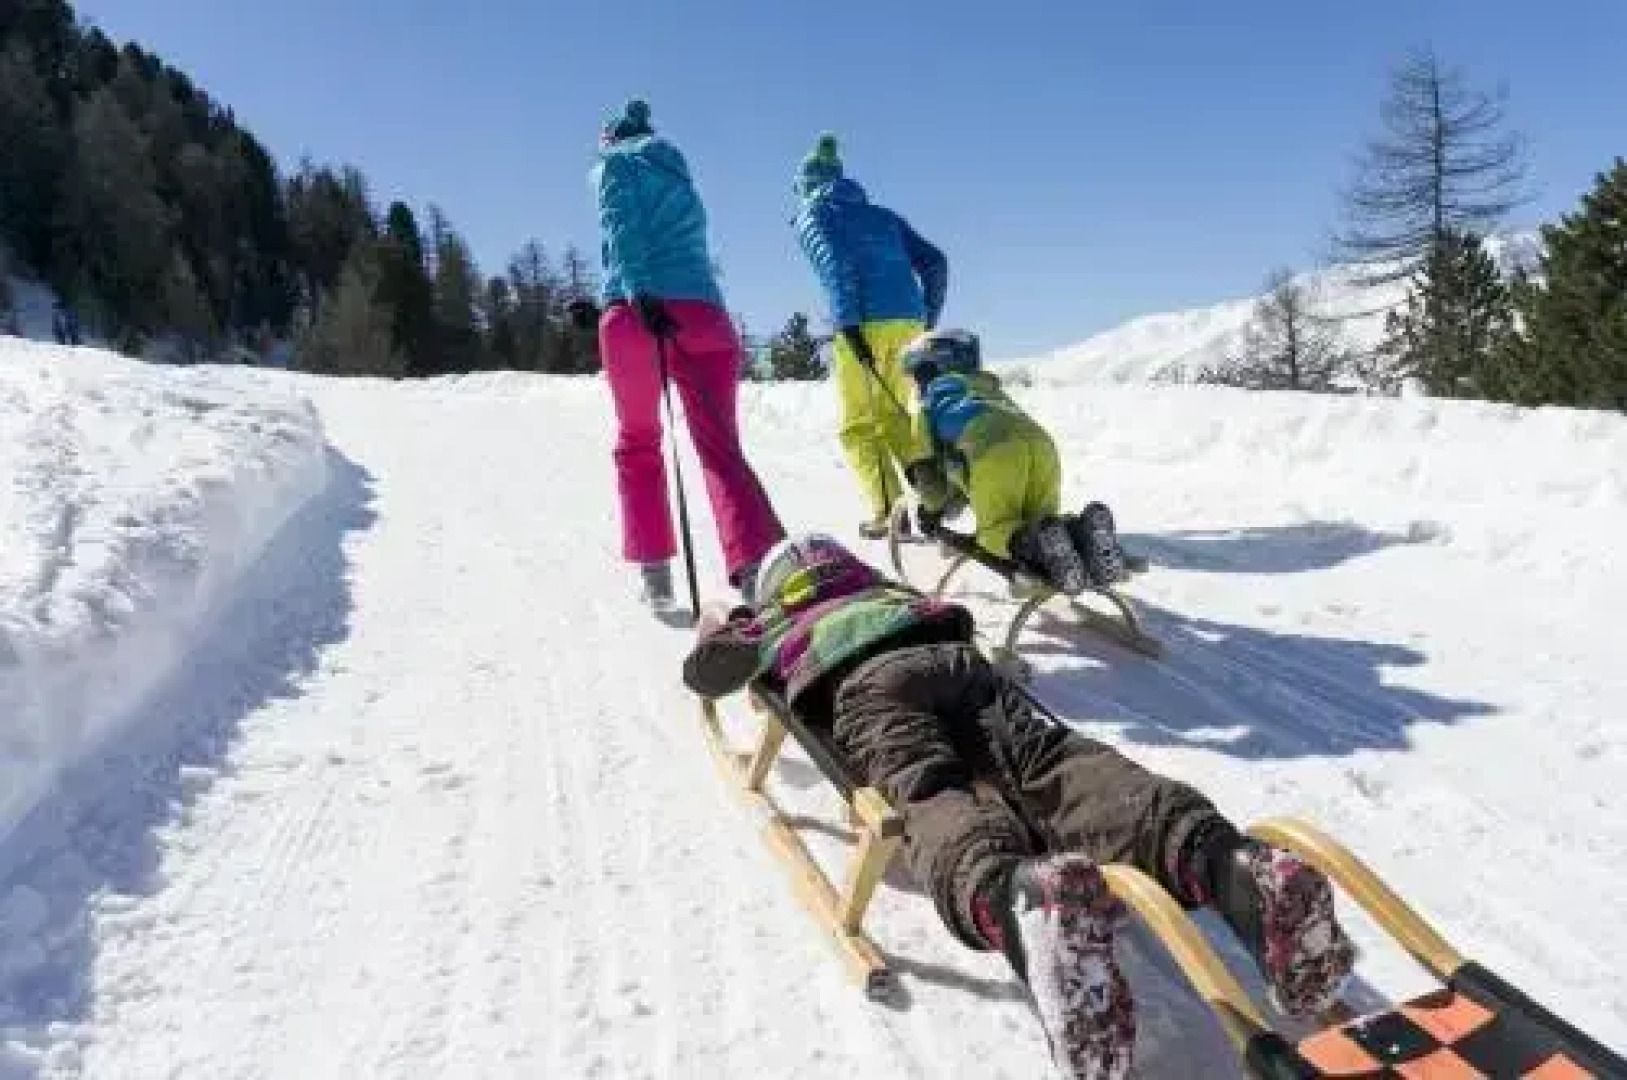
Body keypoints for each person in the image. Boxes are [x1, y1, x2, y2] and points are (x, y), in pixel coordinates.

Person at [682, 532, 1356, 1080]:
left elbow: (710, 672)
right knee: (1057, 765)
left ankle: (1017, 899)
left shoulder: (775, 616)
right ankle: (1225, 865)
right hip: (951, 657)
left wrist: (725, 625)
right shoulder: (878, 588)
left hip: (864, 687)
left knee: (930, 791)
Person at [587, 99, 785, 608]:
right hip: (706, 315)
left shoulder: (615, 165)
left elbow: (622, 229)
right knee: (720, 449)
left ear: (611, 138)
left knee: (638, 442)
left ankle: (656, 575)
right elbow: (676, 251)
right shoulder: (682, 180)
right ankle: (757, 569)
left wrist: (633, 290)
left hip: (639, 316)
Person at [791, 133, 949, 539]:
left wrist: (847, 323)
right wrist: (926, 316)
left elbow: (837, 265)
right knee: (894, 413)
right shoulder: (883, 217)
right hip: (907, 320)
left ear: (806, 186)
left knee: (859, 425)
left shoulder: (815, 215)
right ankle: (932, 499)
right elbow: (936, 261)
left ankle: (888, 513)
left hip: (865, 322)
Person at [899, 328, 1127, 596]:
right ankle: (1084, 532)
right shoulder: (987, 389)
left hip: (992, 450)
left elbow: (927, 473)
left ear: (929, 371)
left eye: (917, 376)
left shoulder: (929, 405)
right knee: (1044, 523)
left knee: (995, 534)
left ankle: (1036, 546)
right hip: (1042, 446)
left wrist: (932, 510)